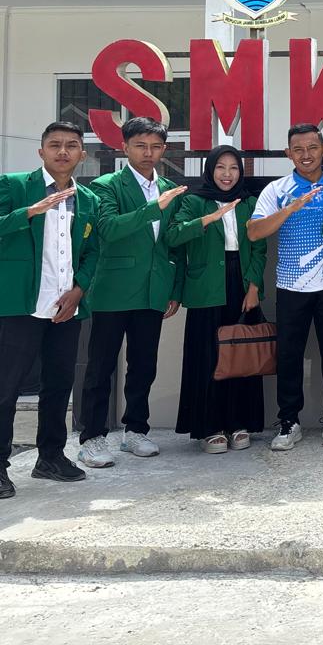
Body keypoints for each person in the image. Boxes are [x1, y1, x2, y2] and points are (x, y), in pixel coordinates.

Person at [79, 117, 186, 468]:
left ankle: (136, 430)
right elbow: (108, 229)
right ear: (124, 147)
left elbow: (172, 244)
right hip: (113, 289)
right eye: (140, 146)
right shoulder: (107, 185)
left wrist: (174, 287)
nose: (148, 153)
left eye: (155, 146)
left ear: (164, 149)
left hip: (153, 290)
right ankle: (92, 437)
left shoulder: (169, 186)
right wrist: (155, 207)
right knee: (101, 366)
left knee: (143, 365)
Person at [0, 122, 100, 498]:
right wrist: (30, 212)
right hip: (19, 305)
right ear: (41, 151)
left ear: (82, 155)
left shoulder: (87, 199)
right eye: (54, 144)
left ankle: (51, 457)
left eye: (71, 145)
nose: (63, 151)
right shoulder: (13, 186)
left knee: (59, 385)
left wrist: (79, 290)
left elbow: (93, 252)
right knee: (5, 388)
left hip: (65, 308)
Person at [247, 124, 323, 451]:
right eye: (298, 149)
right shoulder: (277, 189)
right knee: (289, 357)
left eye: (312, 148)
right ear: (288, 154)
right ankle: (288, 421)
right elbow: (254, 232)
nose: (306, 155)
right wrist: (290, 208)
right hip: (291, 286)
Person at [166, 146, 267, 453]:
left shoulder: (249, 202)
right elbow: (173, 235)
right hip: (206, 286)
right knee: (209, 356)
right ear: (210, 170)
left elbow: (259, 247)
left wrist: (254, 287)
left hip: (241, 282)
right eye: (220, 167)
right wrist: (208, 219)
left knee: (240, 354)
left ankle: (239, 422)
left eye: (233, 168)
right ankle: (209, 427)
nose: (227, 174)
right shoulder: (194, 201)